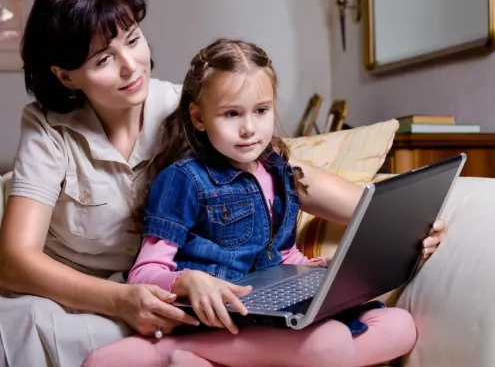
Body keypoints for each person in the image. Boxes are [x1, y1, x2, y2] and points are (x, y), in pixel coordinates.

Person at [0, 0, 445, 367]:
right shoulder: (48, 129)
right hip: (87, 291)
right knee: (35, 322)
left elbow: (284, 172)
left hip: (174, 292)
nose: (130, 66)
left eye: (133, 40)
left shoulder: (190, 107)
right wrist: (122, 299)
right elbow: (16, 261)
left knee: (378, 327)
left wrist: (392, 220)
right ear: (65, 76)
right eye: (102, 60)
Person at [83, 38, 441, 367]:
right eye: (232, 114)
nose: (249, 129)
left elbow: (280, 254)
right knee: (329, 343)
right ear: (199, 118)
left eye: (261, 110)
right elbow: (143, 273)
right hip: (219, 317)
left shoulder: (279, 171)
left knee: (400, 325)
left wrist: (316, 270)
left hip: (272, 310)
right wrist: (186, 281)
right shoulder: (184, 179)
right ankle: (175, 352)